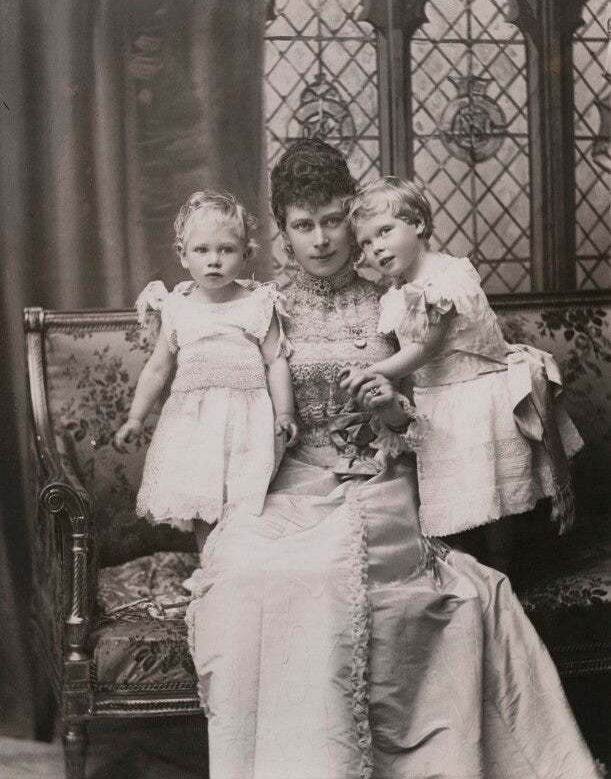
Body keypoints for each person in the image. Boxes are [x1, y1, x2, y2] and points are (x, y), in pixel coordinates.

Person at [185, 140, 598, 779]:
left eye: (332, 220)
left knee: (338, 572)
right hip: (290, 478)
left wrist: (387, 406)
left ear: (351, 217)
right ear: (282, 233)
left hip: (381, 470)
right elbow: (223, 409)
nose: (321, 240)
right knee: (247, 569)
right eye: (303, 225)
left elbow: (424, 408)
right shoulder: (261, 306)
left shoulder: (396, 300)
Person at [341, 176, 583, 572]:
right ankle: (469, 579)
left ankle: (503, 573)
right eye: (366, 242)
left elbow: (427, 348)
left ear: (418, 224)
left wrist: (372, 370)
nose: (376, 247)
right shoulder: (400, 291)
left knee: (496, 502)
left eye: (385, 232)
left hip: (476, 398)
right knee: (459, 503)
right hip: (439, 400)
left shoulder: (445, 279)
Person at [115, 189, 297, 549]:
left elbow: (276, 360)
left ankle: (236, 572)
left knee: (242, 500)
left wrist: (285, 411)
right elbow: (157, 367)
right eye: (202, 250)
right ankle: (210, 570)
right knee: (203, 499)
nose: (214, 260)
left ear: (245, 255)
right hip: (193, 422)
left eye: (226, 250)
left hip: (247, 418)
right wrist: (136, 417)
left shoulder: (259, 303)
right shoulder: (176, 306)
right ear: (183, 256)